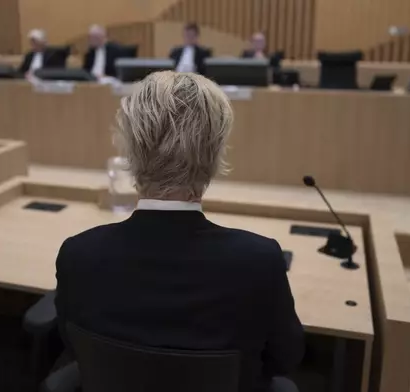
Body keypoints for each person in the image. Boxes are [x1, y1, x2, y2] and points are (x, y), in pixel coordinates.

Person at [55, 71, 304, 392]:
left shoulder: (78, 254)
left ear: (131, 153)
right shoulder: (259, 261)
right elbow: (285, 359)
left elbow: (73, 348)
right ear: (215, 154)